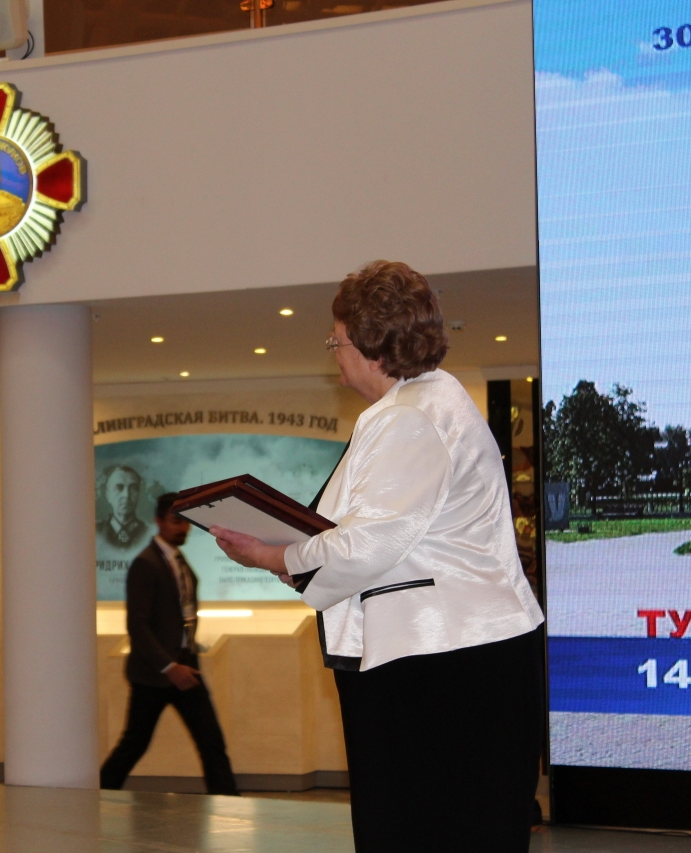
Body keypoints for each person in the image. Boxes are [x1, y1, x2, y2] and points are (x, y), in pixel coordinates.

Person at [211, 260, 544, 852]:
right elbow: (379, 534)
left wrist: (271, 555)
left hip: (439, 662)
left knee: (425, 831)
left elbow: (367, 544)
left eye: (336, 339)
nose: (333, 350)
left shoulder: (411, 418)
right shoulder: (429, 403)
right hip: (457, 657)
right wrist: (297, 553)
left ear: (372, 345)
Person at [100, 493, 239, 796]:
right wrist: (168, 666)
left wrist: (183, 660)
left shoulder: (178, 561)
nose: (183, 528)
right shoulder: (146, 563)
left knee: (211, 742)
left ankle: (229, 802)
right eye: (176, 521)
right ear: (159, 521)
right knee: (134, 743)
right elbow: (137, 625)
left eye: (186, 522)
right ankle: (96, 795)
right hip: (154, 674)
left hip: (186, 667)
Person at [96, 464, 148, 549]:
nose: (126, 495)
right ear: (108, 495)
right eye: (119, 488)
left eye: (133, 488)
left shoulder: (149, 533)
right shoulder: (95, 532)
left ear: (139, 494)